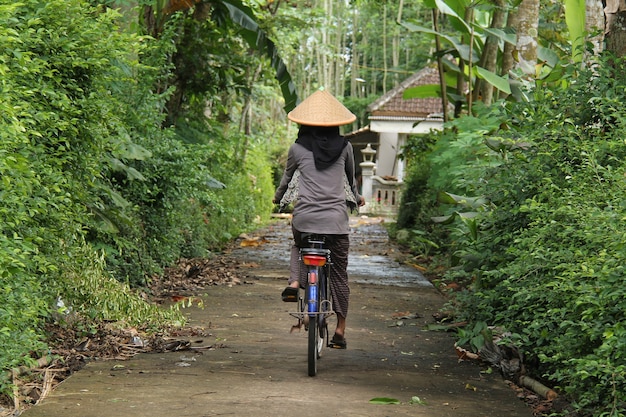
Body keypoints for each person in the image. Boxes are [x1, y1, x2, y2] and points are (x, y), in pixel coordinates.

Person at [273, 89, 365, 350]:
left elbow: (287, 180)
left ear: (305, 125)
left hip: (305, 218)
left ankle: (294, 282)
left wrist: (277, 198)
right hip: (336, 223)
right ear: (336, 125)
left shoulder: (297, 149)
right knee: (338, 274)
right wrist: (357, 199)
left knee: (298, 246)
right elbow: (350, 180)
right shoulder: (346, 147)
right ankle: (340, 331)